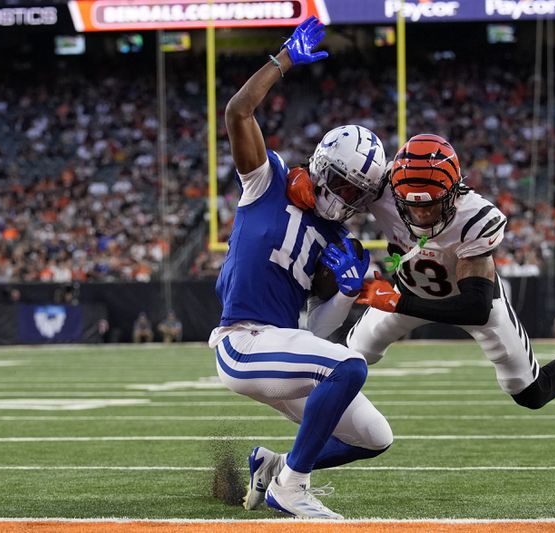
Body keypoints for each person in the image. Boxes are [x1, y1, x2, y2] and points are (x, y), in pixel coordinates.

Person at [288, 134, 555, 410]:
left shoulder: (475, 218)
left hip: (465, 299)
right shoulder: (380, 188)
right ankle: (305, 454)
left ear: (454, 191)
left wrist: (397, 302)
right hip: (406, 289)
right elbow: (341, 170)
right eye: (411, 208)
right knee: (341, 362)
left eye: (431, 206)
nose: (422, 216)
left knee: (532, 393)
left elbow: (475, 308)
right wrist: (303, 183)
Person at [209, 17, 391, 520]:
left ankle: (274, 468)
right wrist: (283, 59)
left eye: (359, 195)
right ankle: (292, 488)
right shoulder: (265, 182)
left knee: (377, 437)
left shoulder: (338, 240)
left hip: (283, 348)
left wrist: (348, 294)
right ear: (322, 167)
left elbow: (318, 330)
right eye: (345, 185)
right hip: (242, 341)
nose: (348, 200)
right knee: (350, 367)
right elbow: (238, 111)